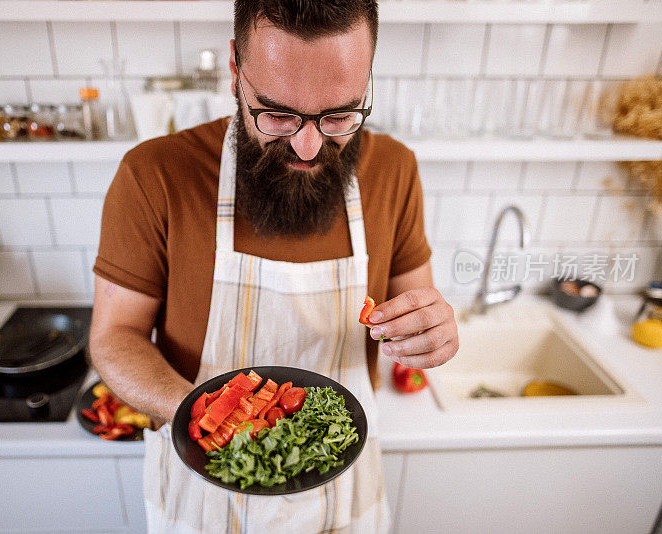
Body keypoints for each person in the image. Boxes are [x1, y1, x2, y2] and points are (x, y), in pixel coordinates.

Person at [90, 1, 459, 531]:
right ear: (236, 69)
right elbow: (113, 336)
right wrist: (209, 419)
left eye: (339, 116)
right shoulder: (155, 175)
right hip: (203, 486)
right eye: (278, 114)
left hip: (346, 487)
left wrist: (433, 334)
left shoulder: (394, 170)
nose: (308, 146)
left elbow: (416, 313)